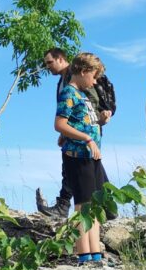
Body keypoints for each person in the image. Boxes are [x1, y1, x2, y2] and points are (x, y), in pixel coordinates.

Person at [37, 48, 116, 218]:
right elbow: (66, 117)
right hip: (82, 136)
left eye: (50, 62)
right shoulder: (64, 83)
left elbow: (90, 103)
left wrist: (100, 119)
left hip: (87, 133)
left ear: (60, 59)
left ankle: (70, 206)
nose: (47, 66)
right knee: (84, 173)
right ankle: (104, 206)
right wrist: (65, 133)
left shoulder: (75, 82)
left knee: (82, 171)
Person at [54, 53, 109, 265]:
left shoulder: (83, 95)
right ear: (84, 71)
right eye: (94, 77)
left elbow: (77, 122)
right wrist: (86, 138)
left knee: (93, 205)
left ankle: (95, 253)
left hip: (91, 156)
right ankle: (83, 254)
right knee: (82, 206)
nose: (95, 82)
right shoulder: (69, 92)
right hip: (77, 156)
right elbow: (60, 123)